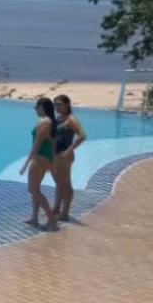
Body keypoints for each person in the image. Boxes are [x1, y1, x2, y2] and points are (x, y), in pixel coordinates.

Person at [19, 97, 59, 230]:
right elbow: (53, 144)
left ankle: (51, 219)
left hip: (40, 158)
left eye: (36, 107)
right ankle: (34, 218)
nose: (35, 109)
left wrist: (25, 164)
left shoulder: (44, 122)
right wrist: (51, 161)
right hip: (46, 158)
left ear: (42, 107)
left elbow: (36, 145)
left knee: (33, 189)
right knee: (36, 189)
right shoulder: (51, 122)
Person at [52, 94, 87, 222]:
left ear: (67, 105)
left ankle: (65, 213)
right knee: (58, 183)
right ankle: (56, 208)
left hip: (64, 155)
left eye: (60, 105)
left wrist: (69, 150)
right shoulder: (59, 118)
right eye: (55, 105)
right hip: (56, 155)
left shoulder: (71, 119)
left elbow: (82, 136)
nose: (57, 107)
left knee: (66, 184)